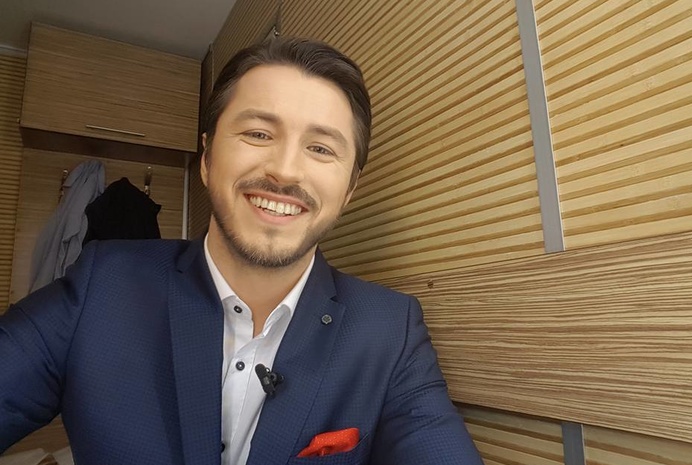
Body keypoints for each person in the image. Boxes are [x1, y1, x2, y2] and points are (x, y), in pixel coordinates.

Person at [0, 37, 484, 465]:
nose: (285, 171)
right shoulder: (103, 284)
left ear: (349, 190)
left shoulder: (390, 331)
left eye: (321, 149)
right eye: (258, 134)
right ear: (207, 158)